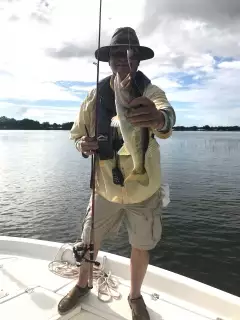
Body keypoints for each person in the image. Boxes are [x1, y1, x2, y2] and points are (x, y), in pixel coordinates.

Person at [58, 27, 176, 320]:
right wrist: (82, 145)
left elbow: (167, 117)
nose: (123, 59)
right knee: (88, 241)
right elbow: (75, 136)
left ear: (137, 61)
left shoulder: (150, 92)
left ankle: (135, 297)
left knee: (140, 245)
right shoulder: (93, 95)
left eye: (129, 54)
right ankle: (82, 285)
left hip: (144, 189)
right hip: (104, 188)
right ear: (109, 59)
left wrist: (159, 118)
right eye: (116, 53)